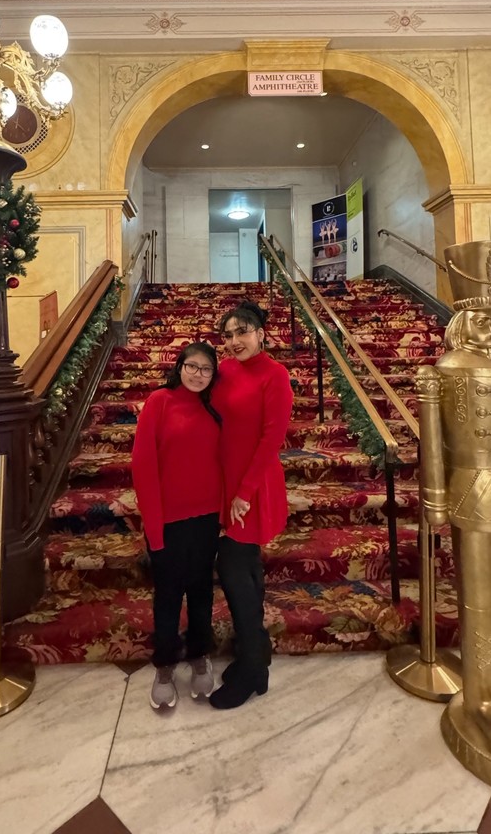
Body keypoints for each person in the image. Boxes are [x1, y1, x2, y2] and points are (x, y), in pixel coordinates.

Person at [210, 301, 293, 710]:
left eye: (242, 331)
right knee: (247, 567)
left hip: (253, 486)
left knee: (232, 566)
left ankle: (251, 668)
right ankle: (257, 651)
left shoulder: (275, 376)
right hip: (224, 483)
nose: (234, 341)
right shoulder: (223, 370)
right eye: (227, 334)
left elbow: (271, 439)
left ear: (261, 333)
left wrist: (244, 492)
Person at [132, 342, 223, 710]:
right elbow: (143, 466)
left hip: (206, 518)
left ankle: (200, 654)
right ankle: (166, 664)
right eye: (192, 366)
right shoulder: (160, 402)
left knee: (201, 591)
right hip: (167, 519)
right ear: (179, 366)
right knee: (168, 595)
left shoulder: (215, 408)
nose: (198, 374)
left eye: (206, 369)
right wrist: (153, 525)